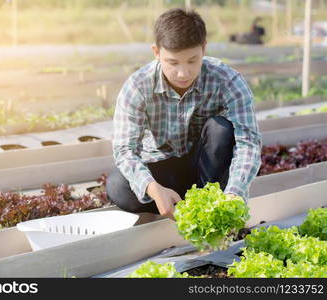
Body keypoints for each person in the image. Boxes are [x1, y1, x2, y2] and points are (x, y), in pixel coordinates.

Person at [106, 8, 262, 220]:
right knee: (117, 186)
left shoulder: (227, 80)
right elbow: (125, 150)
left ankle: (213, 204)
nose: (183, 73)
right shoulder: (137, 86)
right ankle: (172, 204)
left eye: (192, 61)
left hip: (207, 172)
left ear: (204, 49)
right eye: (173, 62)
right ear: (156, 52)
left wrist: (235, 192)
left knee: (220, 128)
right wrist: (153, 188)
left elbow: (249, 142)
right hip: (162, 169)